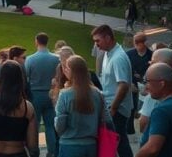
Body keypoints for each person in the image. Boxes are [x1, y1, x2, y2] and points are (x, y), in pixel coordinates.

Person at [54, 55, 111, 157]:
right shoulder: (97, 93)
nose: (64, 70)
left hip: (69, 144)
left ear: (73, 72)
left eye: (66, 68)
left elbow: (60, 125)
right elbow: (107, 119)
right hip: (91, 145)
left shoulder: (65, 94)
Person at [91, 24, 133, 157]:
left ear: (108, 38)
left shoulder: (118, 58)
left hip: (117, 109)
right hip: (111, 106)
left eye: (98, 41)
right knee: (111, 143)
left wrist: (113, 108)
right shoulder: (108, 53)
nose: (96, 45)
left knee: (120, 143)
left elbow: (123, 85)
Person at [25, 32, 61, 157]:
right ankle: (52, 152)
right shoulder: (56, 58)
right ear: (47, 42)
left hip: (35, 95)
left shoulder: (30, 59)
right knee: (50, 125)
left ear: (36, 41)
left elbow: (26, 76)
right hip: (51, 94)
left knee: (34, 126)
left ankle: (34, 152)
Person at [128, 33, 152, 126]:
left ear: (144, 43)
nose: (136, 45)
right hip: (132, 85)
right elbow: (125, 70)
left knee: (144, 109)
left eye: (138, 43)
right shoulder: (129, 54)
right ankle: (131, 127)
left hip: (146, 86)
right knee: (132, 107)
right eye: (135, 43)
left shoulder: (152, 55)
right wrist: (129, 83)